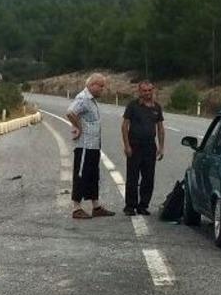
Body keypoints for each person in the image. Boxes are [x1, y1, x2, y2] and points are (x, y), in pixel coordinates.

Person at [65, 73, 116, 219]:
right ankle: (76, 208)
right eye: (100, 86)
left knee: (93, 175)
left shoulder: (91, 100)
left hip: (93, 145)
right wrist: (78, 127)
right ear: (92, 85)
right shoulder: (83, 98)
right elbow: (70, 112)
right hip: (85, 145)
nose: (102, 89)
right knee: (81, 174)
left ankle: (96, 206)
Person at [121, 80, 165, 216]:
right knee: (132, 177)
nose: (147, 93)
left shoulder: (156, 107)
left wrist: (161, 147)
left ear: (153, 91)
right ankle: (130, 206)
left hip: (150, 146)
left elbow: (160, 128)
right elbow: (124, 126)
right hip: (135, 145)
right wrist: (127, 145)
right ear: (139, 92)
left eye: (149, 90)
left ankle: (143, 205)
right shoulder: (133, 106)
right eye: (144, 91)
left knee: (148, 177)